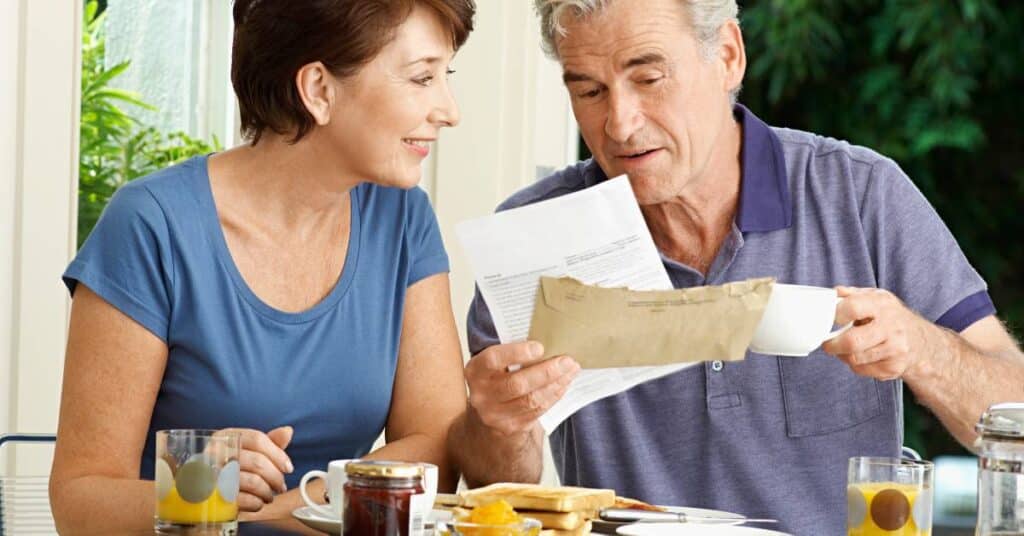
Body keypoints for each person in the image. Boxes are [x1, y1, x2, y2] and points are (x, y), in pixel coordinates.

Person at [447, 0, 1024, 533]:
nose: (619, 123)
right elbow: (501, 486)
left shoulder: (860, 193)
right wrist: (498, 421)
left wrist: (922, 348)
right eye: (590, 91)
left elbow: (1013, 412)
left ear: (727, 55)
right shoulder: (537, 232)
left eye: (649, 79)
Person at [48, 0, 475, 532]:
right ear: (319, 89)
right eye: (421, 78)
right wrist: (198, 492)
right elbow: (80, 500)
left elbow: (438, 444)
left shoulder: (402, 216)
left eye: (445, 76)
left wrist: (296, 503)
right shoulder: (153, 225)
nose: (449, 109)